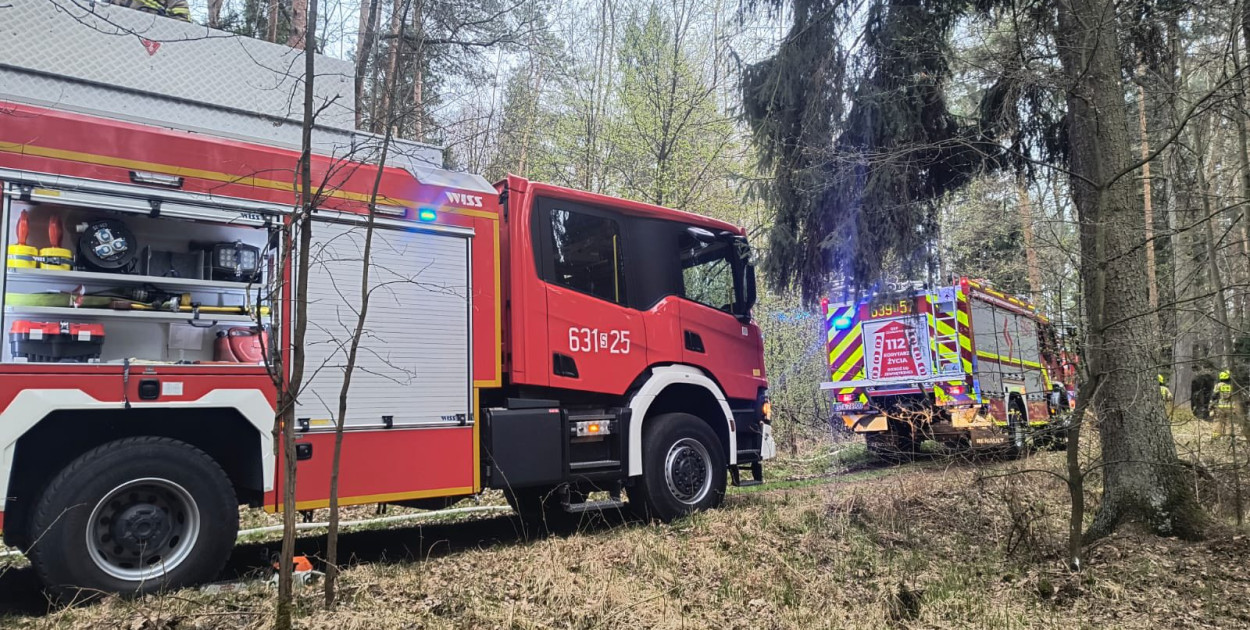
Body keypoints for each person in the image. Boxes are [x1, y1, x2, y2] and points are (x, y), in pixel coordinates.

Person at [1210, 371, 1238, 438]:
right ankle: (1228, 438)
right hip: (1230, 408)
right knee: (1229, 424)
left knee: (1217, 422)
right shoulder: (1232, 386)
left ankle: (1216, 438)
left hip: (1219, 407)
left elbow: (1214, 397)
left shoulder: (1218, 385)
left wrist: (1211, 407)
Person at [110, 0, 191, 22]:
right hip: (122, 29)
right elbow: (106, 11)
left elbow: (183, 23)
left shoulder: (178, 2)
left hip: (156, 38)